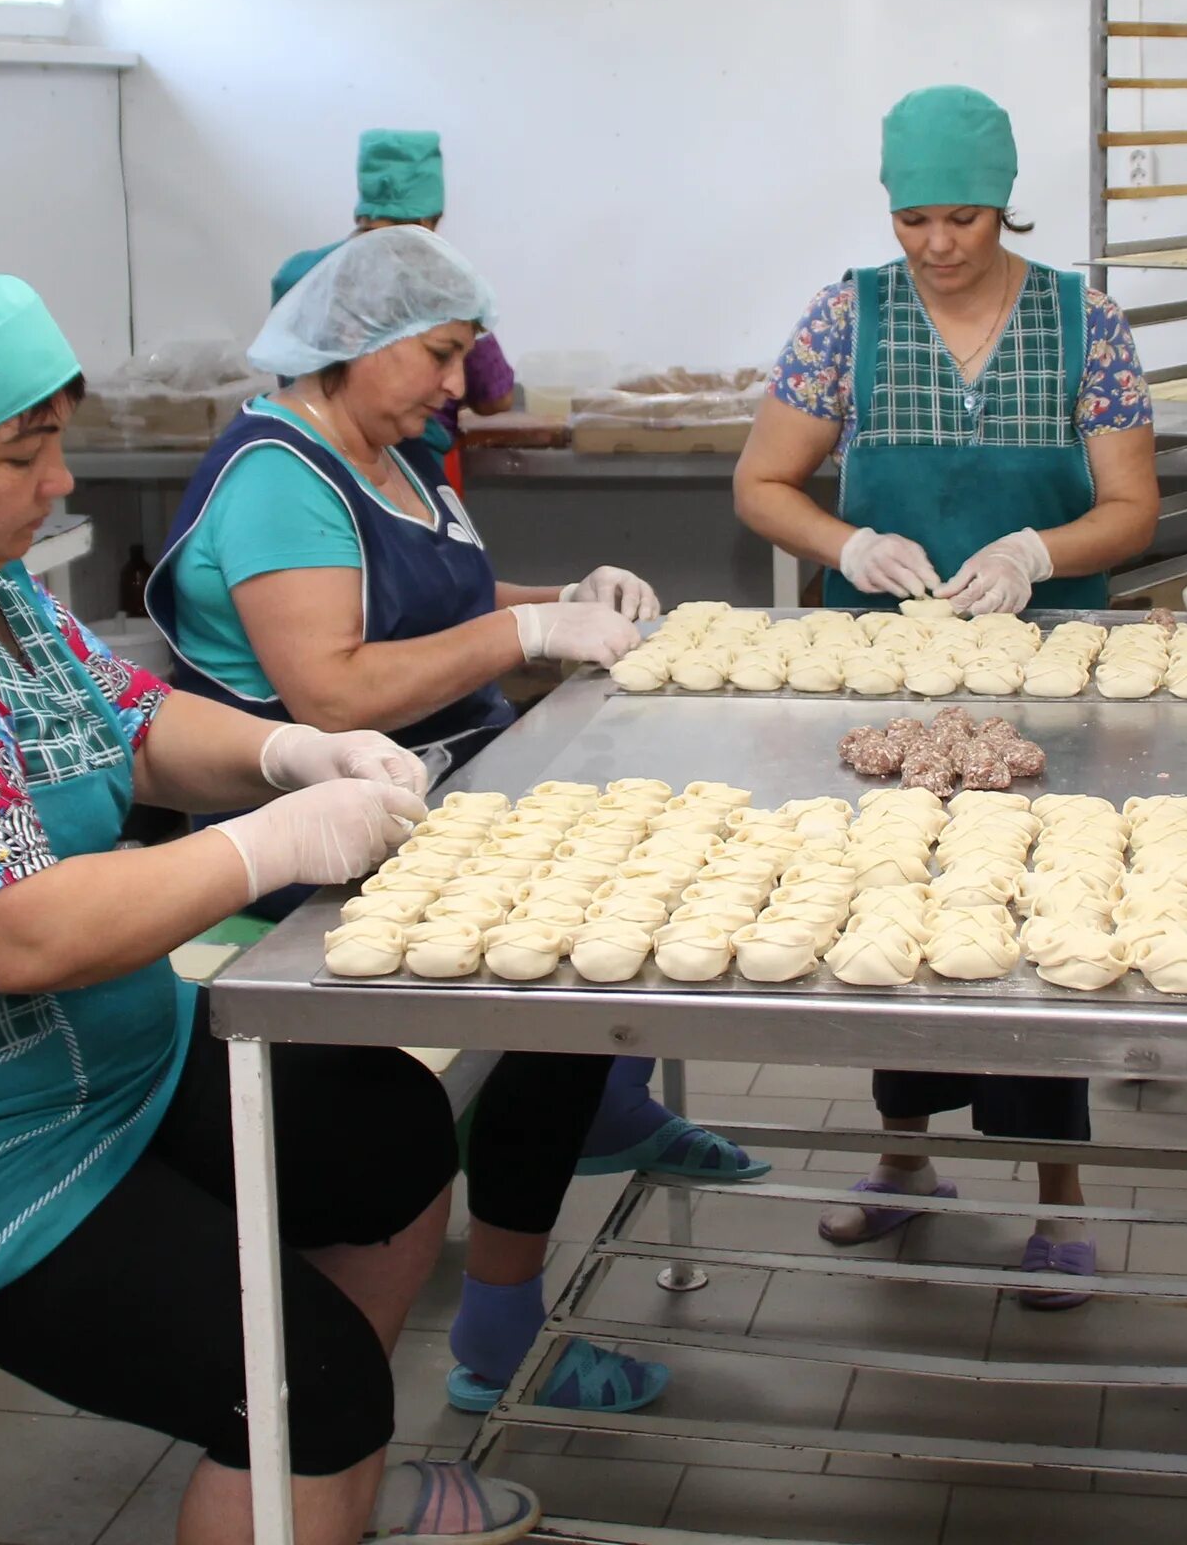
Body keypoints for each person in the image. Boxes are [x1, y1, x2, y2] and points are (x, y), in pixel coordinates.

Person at [0, 233, 538, 1545]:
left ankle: (320, 1487)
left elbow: (121, 713)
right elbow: (17, 937)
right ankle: (311, 1453)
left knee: (391, 1137)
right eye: (21, 458)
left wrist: (285, 749)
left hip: (96, 1059)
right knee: (307, 1383)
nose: (56, 482)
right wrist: (274, 843)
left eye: (52, 444)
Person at [149, 225, 764, 1418]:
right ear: (353, 345)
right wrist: (525, 639)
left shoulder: (387, 451)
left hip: (443, 788)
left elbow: (452, 601)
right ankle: (500, 1330)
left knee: (627, 904)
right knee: (561, 985)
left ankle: (597, 1109)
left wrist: (564, 596)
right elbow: (329, 687)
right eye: (438, 354)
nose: (454, 384)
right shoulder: (281, 476)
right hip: (321, 837)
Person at [734, 84, 1158, 1303]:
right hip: (885, 670)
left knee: (1042, 915)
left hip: (1043, 668)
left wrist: (1038, 552)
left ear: (1004, 203)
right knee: (894, 908)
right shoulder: (845, 318)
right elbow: (763, 481)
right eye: (913, 216)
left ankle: (1060, 1196)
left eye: (962, 216)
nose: (935, 244)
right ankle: (903, 1154)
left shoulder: (1086, 322)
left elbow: (1133, 507)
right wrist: (845, 542)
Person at [271, 131, 518, 486]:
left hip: (313, 462)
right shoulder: (439, 281)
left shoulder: (302, 275)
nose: (455, 386)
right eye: (439, 354)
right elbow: (497, 398)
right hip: (414, 473)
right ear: (432, 217)